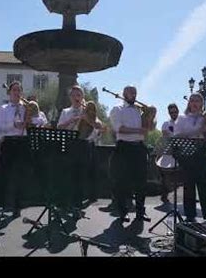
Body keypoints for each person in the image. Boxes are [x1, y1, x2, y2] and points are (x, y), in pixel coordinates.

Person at [174, 93, 206, 222]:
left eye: (198, 101)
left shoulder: (205, 117)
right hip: (187, 151)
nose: (195, 103)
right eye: (192, 101)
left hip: (202, 151)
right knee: (188, 185)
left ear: (202, 104)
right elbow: (177, 134)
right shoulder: (182, 118)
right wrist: (197, 130)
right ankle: (190, 216)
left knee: (205, 185)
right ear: (189, 103)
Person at [109, 85, 155, 223]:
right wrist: (139, 131)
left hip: (139, 148)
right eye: (131, 93)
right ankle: (123, 212)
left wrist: (151, 116)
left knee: (141, 182)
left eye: (135, 93)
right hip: (124, 148)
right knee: (122, 182)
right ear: (124, 94)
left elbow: (150, 129)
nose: (134, 95)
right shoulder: (117, 109)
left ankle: (141, 212)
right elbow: (119, 129)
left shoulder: (138, 111)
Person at [58, 85, 103, 213]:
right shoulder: (66, 112)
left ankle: (77, 206)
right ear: (70, 98)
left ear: (82, 97)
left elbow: (99, 126)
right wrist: (73, 119)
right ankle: (66, 204)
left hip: (84, 146)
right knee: (68, 176)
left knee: (81, 176)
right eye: (73, 95)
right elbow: (60, 127)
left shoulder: (88, 111)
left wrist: (88, 118)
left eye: (78, 95)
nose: (76, 98)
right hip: (70, 145)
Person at [0, 81, 31, 217]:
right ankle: (0, 205)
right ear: (9, 93)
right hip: (8, 142)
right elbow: (0, 127)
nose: (17, 93)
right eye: (14, 90)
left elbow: (37, 120)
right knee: (4, 175)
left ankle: (18, 206)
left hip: (22, 143)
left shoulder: (25, 108)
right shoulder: (3, 108)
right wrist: (14, 125)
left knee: (20, 176)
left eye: (19, 90)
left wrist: (31, 115)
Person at [159, 103, 179, 204]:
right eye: (171, 113)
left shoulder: (182, 123)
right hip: (169, 152)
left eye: (175, 112)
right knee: (166, 176)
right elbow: (165, 137)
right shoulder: (166, 124)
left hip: (180, 151)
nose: (173, 114)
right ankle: (164, 195)